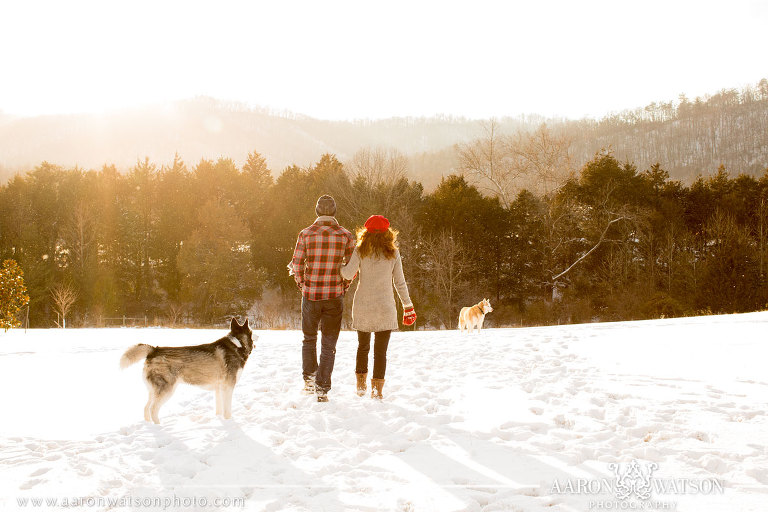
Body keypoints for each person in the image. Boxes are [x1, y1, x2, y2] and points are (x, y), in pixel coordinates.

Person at [341, 215, 416, 399]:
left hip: (363, 306)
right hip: (385, 306)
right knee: (380, 352)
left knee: (363, 347)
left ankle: (360, 385)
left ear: (366, 232)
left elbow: (348, 274)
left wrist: (338, 265)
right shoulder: (393, 252)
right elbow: (400, 282)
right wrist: (408, 306)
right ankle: (377, 391)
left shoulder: (360, 250)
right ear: (387, 233)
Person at [289, 195, 356, 402]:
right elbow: (351, 269)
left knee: (309, 339)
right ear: (334, 212)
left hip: (311, 296)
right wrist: (343, 286)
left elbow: (296, 264)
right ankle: (322, 388)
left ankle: (309, 381)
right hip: (334, 296)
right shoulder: (345, 235)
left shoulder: (306, 234)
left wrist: (303, 285)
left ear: (317, 211)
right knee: (329, 344)